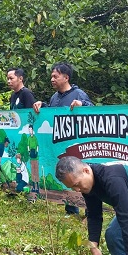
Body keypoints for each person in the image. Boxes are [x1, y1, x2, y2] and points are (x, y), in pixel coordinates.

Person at [33, 62, 94, 213]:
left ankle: (89, 210)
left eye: (55, 76)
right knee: (68, 175)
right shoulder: (55, 97)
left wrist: (82, 104)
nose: (52, 79)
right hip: (61, 144)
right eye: (51, 76)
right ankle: (71, 209)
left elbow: (93, 111)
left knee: (81, 176)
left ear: (66, 77)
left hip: (78, 143)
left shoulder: (78, 94)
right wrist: (42, 105)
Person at [26, 124, 40, 193]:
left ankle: (37, 187)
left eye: (30, 130)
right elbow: (28, 146)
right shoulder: (29, 139)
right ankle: (34, 187)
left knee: (36, 172)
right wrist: (29, 152)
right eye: (29, 130)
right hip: (31, 157)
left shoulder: (35, 138)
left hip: (35, 157)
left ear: (32, 130)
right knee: (32, 172)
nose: (30, 131)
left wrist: (36, 152)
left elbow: (37, 145)